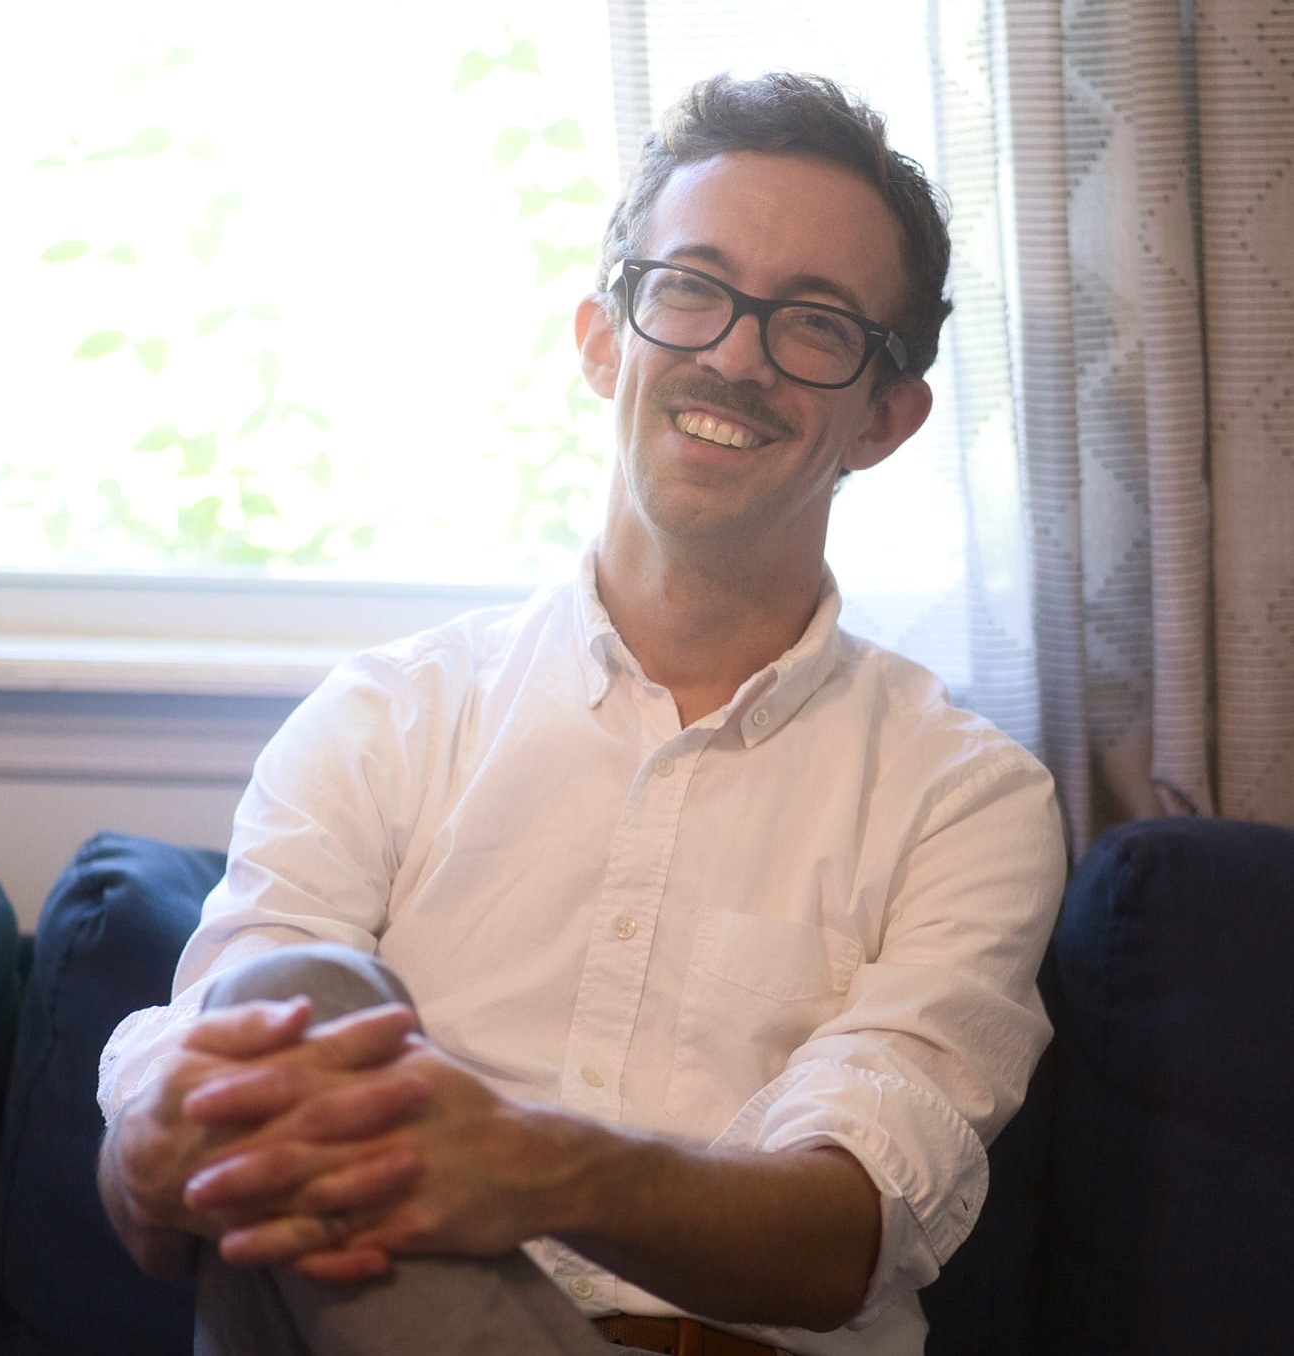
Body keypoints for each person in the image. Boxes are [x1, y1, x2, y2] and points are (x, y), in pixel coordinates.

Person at [96, 71, 1066, 1356]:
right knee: (288, 997)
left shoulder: (969, 797)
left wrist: (535, 1166)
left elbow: (851, 1234)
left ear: (886, 417)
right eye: (692, 290)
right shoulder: (386, 718)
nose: (735, 356)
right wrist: (153, 1140)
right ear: (605, 338)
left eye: (816, 323)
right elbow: (179, 1165)